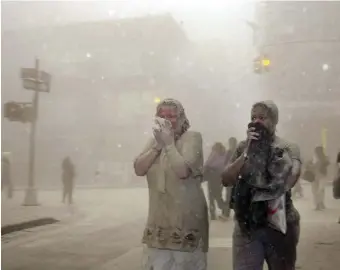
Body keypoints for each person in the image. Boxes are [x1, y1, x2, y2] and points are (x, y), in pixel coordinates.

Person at [222, 100, 301, 270]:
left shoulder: (287, 147)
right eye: (253, 117)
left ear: (274, 120)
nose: (257, 122)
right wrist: (247, 153)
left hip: (280, 224)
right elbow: (227, 179)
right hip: (247, 227)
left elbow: (291, 178)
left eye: (262, 118)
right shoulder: (243, 147)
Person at [134, 98, 209, 270]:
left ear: (182, 118)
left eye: (172, 116)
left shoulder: (192, 138)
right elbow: (139, 168)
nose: (167, 120)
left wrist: (169, 144)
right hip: (158, 222)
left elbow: (182, 171)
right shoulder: (154, 142)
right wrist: (158, 146)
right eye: (162, 116)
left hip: (185, 222)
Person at [204, 142, 227, 220]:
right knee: (218, 195)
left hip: (212, 176)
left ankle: (213, 214)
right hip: (220, 177)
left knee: (211, 196)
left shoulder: (214, 153)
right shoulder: (225, 154)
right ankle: (224, 209)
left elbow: (207, 163)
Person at [223, 137, 238, 219]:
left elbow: (225, 164)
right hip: (232, 177)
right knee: (229, 196)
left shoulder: (236, 151)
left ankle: (230, 213)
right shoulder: (230, 152)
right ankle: (226, 213)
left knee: (233, 196)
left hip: (235, 178)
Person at [311, 146, 330, 210]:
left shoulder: (316, 159)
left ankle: (318, 205)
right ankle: (321, 203)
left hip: (317, 175)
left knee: (316, 191)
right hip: (323, 176)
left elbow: (315, 167)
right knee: (321, 190)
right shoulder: (325, 158)